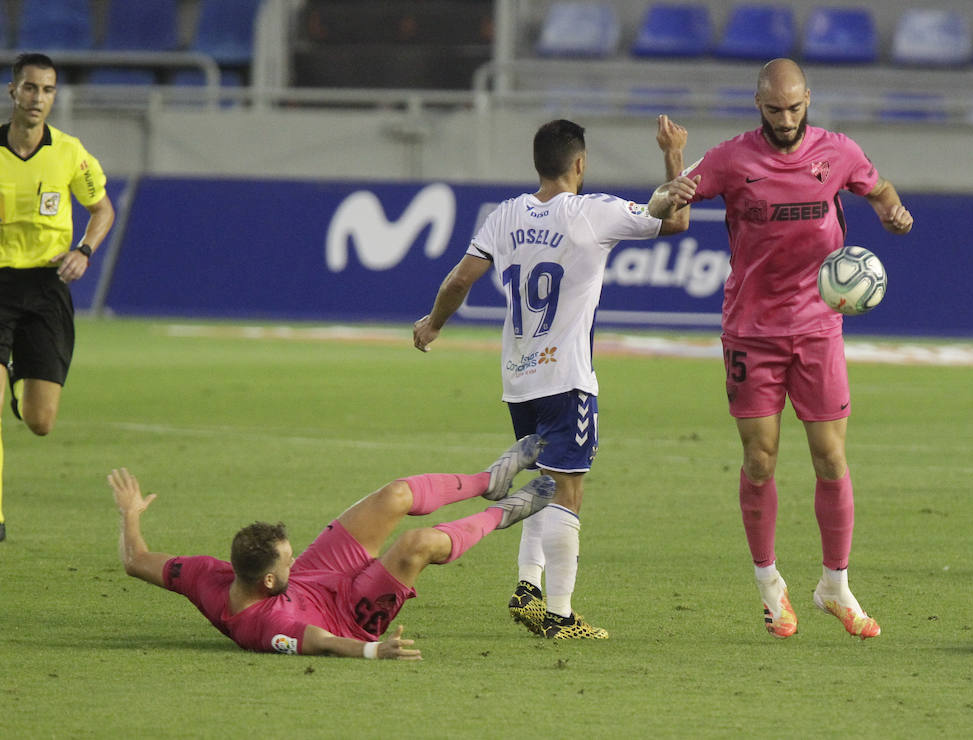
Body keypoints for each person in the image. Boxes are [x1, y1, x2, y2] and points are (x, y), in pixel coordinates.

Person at [412, 118, 698, 640]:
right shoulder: (591, 212)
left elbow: (458, 280)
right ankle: (561, 617)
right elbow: (673, 220)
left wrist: (432, 325)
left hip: (518, 380)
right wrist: (674, 157)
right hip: (566, 378)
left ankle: (528, 586)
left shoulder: (505, 216)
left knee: (543, 481)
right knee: (568, 490)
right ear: (580, 163)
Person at [658, 59, 913, 640]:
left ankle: (835, 587)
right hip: (751, 329)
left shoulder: (838, 151)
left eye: (795, 108)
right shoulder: (729, 159)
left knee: (830, 458)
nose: (786, 119)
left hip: (818, 329)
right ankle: (770, 583)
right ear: (758, 105)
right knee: (760, 459)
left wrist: (890, 212)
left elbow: (880, 188)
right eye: (775, 110)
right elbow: (674, 217)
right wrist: (673, 157)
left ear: (808, 101)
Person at [111, 435, 552, 659]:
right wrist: (370, 649)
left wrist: (130, 514)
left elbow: (136, 561)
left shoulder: (209, 575)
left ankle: (488, 482)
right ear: (268, 579)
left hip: (312, 581)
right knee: (416, 544)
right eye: (287, 557)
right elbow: (321, 641)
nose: (293, 554)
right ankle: (504, 514)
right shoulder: (263, 626)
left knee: (395, 495)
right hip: (349, 618)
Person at [0, 53, 116, 542]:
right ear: (13, 91)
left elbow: (102, 209)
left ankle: (17, 381)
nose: (37, 98)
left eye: (47, 90)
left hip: (47, 290)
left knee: (40, 421)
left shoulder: (69, 153)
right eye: (30, 88)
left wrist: (85, 251)